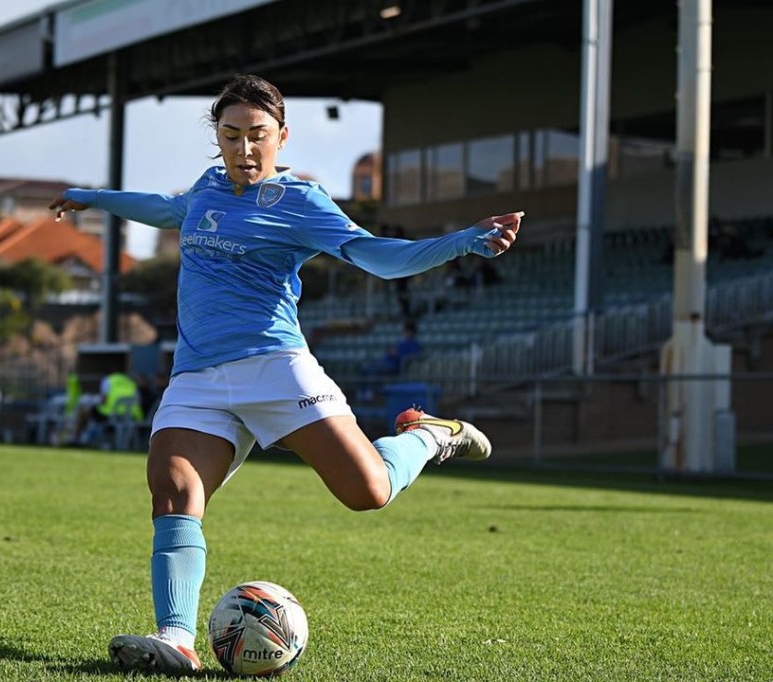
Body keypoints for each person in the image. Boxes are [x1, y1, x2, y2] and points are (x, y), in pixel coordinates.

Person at [49, 74, 522, 675]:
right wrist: (91, 197)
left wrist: (461, 243)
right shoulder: (208, 186)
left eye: (258, 135)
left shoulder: (302, 201)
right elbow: (170, 210)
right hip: (196, 377)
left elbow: (378, 257)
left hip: (276, 368)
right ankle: (177, 640)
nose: (244, 149)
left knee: (367, 492)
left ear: (282, 136)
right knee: (173, 492)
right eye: (231, 136)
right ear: (217, 137)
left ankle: (429, 435)